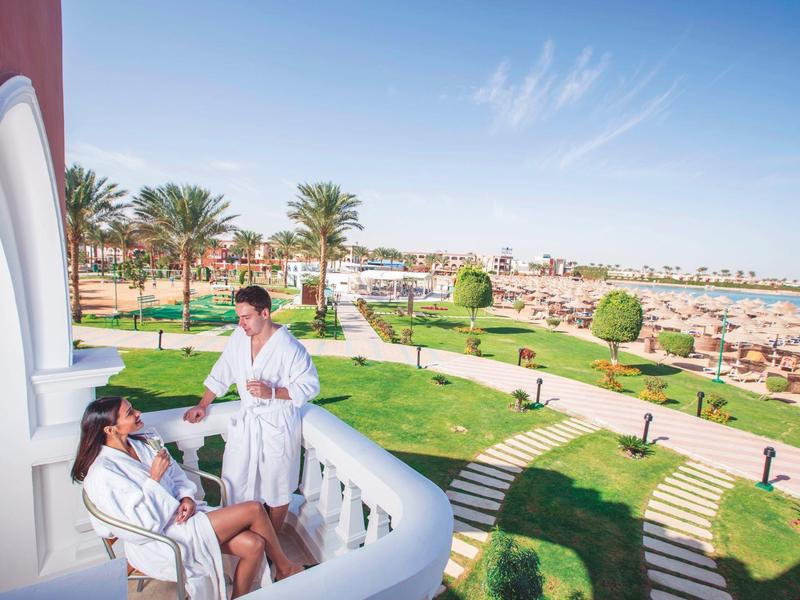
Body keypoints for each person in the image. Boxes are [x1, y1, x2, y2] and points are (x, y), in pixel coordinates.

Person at [73, 397, 304, 599]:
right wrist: (153, 480)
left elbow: (176, 474)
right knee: (254, 509)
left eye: (133, 408)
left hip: (184, 515)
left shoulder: (144, 441)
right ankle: (285, 568)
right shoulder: (104, 473)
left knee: (254, 544)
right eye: (129, 413)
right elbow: (138, 525)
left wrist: (186, 497)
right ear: (110, 430)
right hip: (162, 536)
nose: (138, 413)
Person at [184, 286, 319, 533]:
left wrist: (273, 393)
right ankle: (241, 537)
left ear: (265, 313)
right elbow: (222, 370)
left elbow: (309, 387)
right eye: (239, 317)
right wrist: (203, 404)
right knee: (235, 481)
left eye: (246, 317)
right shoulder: (239, 337)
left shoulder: (291, 348)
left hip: (276, 424)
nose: (241, 323)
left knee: (277, 488)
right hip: (247, 424)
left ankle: (272, 543)